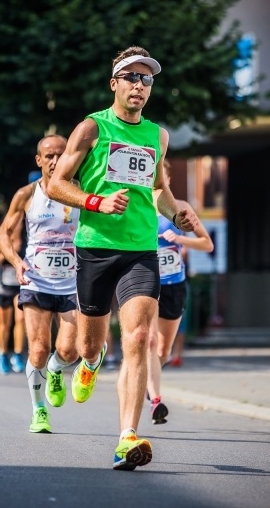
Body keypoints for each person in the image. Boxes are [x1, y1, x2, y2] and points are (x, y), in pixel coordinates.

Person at [47, 46, 198, 470]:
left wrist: (176, 212)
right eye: (131, 77)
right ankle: (90, 363)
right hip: (95, 246)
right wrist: (94, 201)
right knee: (89, 343)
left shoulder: (157, 135)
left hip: (139, 250)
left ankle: (126, 437)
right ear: (114, 83)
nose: (139, 85)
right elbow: (58, 184)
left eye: (146, 79)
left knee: (137, 339)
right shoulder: (91, 129)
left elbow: (156, 190)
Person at [0, 135, 80, 433]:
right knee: (37, 349)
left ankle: (57, 369)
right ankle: (39, 410)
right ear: (39, 160)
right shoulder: (26, 194)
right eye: (50, 156)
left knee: (69, 351)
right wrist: (16, 261)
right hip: (36, 281)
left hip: (72, 283)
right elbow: (3, 234)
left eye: (61, 154)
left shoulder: (80, 191)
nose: (56, 160)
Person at [146, 159, 213, 425]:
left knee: (163, 351)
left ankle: (147, 381)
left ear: (168, 180)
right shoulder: (140, 208)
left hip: (174, 283)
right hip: (148, 283)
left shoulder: (182, 208)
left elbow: (206, 244)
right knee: (149, 341)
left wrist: (180, 238)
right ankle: (155, 400)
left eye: (162, 177)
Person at [0, 221, 26, 375]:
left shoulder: (29, 239)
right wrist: (7, 252)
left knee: (21, 319)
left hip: (22, 286)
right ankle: (2, 353)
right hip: (4, 287)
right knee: (4, 325)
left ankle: (18, 354)